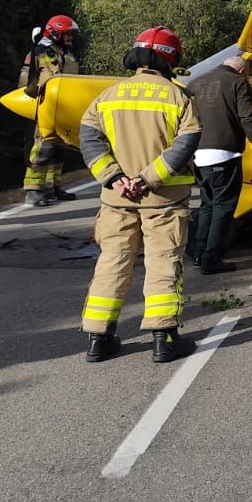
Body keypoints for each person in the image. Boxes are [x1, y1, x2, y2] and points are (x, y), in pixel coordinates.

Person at [77, 26, 201, 364]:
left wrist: (115, 179)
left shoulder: (108, 96)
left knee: (112, 264)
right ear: (171, 58)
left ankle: (98, 340)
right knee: (163, 264)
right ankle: (164, 340)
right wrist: (146, 180)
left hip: (116, 201)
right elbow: (186, 143)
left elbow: (89, 140)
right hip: (164, 200)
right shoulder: (179, 97)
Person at [183, 55, 252, 275]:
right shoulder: (237, 83)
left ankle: (200, 254)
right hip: (225, 154)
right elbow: (247, 116)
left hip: (197, 154)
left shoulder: (194, 83)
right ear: (242, 71)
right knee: (223, 207)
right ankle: (211, 258)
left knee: (207, 205)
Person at [19, 14, 82, 207]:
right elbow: (35, 80)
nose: (70, 38)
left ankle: (52, 186)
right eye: (67, 35)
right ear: (55, 34)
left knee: (59, 148)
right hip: (45, 106)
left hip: (63, 107)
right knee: (43, 148)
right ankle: (33, 189)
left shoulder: (65, 53)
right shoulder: (41, 52)